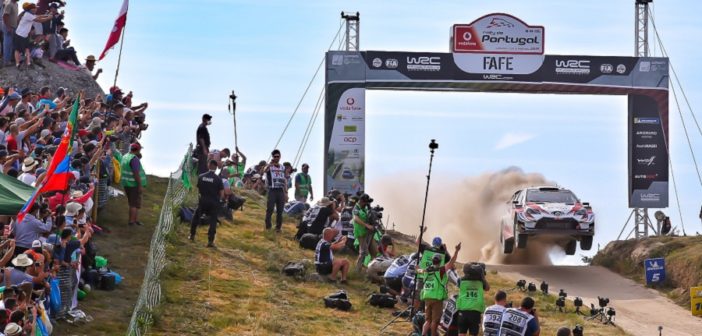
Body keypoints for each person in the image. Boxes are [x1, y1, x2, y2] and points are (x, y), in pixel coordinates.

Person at [421, 242, 461, 336]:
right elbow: (452, 262)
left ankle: (423, 334)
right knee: (435, 321)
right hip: (436, 299)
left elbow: (418, 270)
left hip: (427, 297)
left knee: (427, 320)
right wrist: (456, 251)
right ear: (440, 261)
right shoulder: (441, 270)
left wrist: (418, 268)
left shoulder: (427, 270)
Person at [189, 159, 224, 248]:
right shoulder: (218, 179)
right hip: (213, 202)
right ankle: (210, 241)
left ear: (209, 165)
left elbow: (196, 188)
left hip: (203, 201)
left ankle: (192, 235)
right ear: (216, 168)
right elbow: (222, 194)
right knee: (213, 221)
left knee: (196, 217)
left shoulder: (201, 176)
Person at [13, 3, 52, 68]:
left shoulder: (29, 14)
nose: (36, 9)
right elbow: (39, 20)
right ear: (31, 9)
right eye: (35, 8)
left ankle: (28, 62)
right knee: (18, 50)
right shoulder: (28, 15)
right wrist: (48, 18)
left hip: (24, 35)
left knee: (27, 49)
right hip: (19, 35)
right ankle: (18, 64)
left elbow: (38, 16)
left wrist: (46, 15)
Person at [455, 263, 490, 336]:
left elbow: (458, 283)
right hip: (475, 311)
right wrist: (482, 277)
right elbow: (487, 288)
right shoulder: (481, 282)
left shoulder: (461, 280)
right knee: (473, 333)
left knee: (461, 333)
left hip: (463, 310)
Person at [120, 143, 146, 226]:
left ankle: (135, 220)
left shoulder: (125, 156)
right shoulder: (134, 159)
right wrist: (140, 185)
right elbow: (136, 173)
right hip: (133, 184)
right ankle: (132, 222)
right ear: (137, 150)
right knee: (133, 204)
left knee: (134, 202)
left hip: (126, 183)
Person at [263, 149, 287, 232]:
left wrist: (285, 192)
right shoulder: (270, 166)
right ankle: (268, 226)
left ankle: (278, 228)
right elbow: (264, 171)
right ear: (273, 157)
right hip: (272, 190)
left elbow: (284, 179)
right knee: (270, 209)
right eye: (275, 156)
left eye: (278, 156)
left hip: (280, 190)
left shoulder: (282, 167)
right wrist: (270, 164)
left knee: (280, 210)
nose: (277, 158)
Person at [352, 193, 376, 271]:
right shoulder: (356, 208)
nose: (366, 204)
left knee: (365, 251)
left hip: (366, 232)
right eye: (366, 202)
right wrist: (367, 225)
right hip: (360, 232)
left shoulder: (364, 208)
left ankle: (360, 267)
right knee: (363, 252)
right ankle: (357, 270)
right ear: (361, 201)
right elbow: (356, 219)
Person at [2, 0, 18, 66]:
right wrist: (8, 27)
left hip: (13, 27)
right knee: (7, 44)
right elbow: (5, 16)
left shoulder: (16, 4)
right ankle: (6, 61)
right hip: (8, 27)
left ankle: (10, 59)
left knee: (11, 44)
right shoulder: (9, 4)